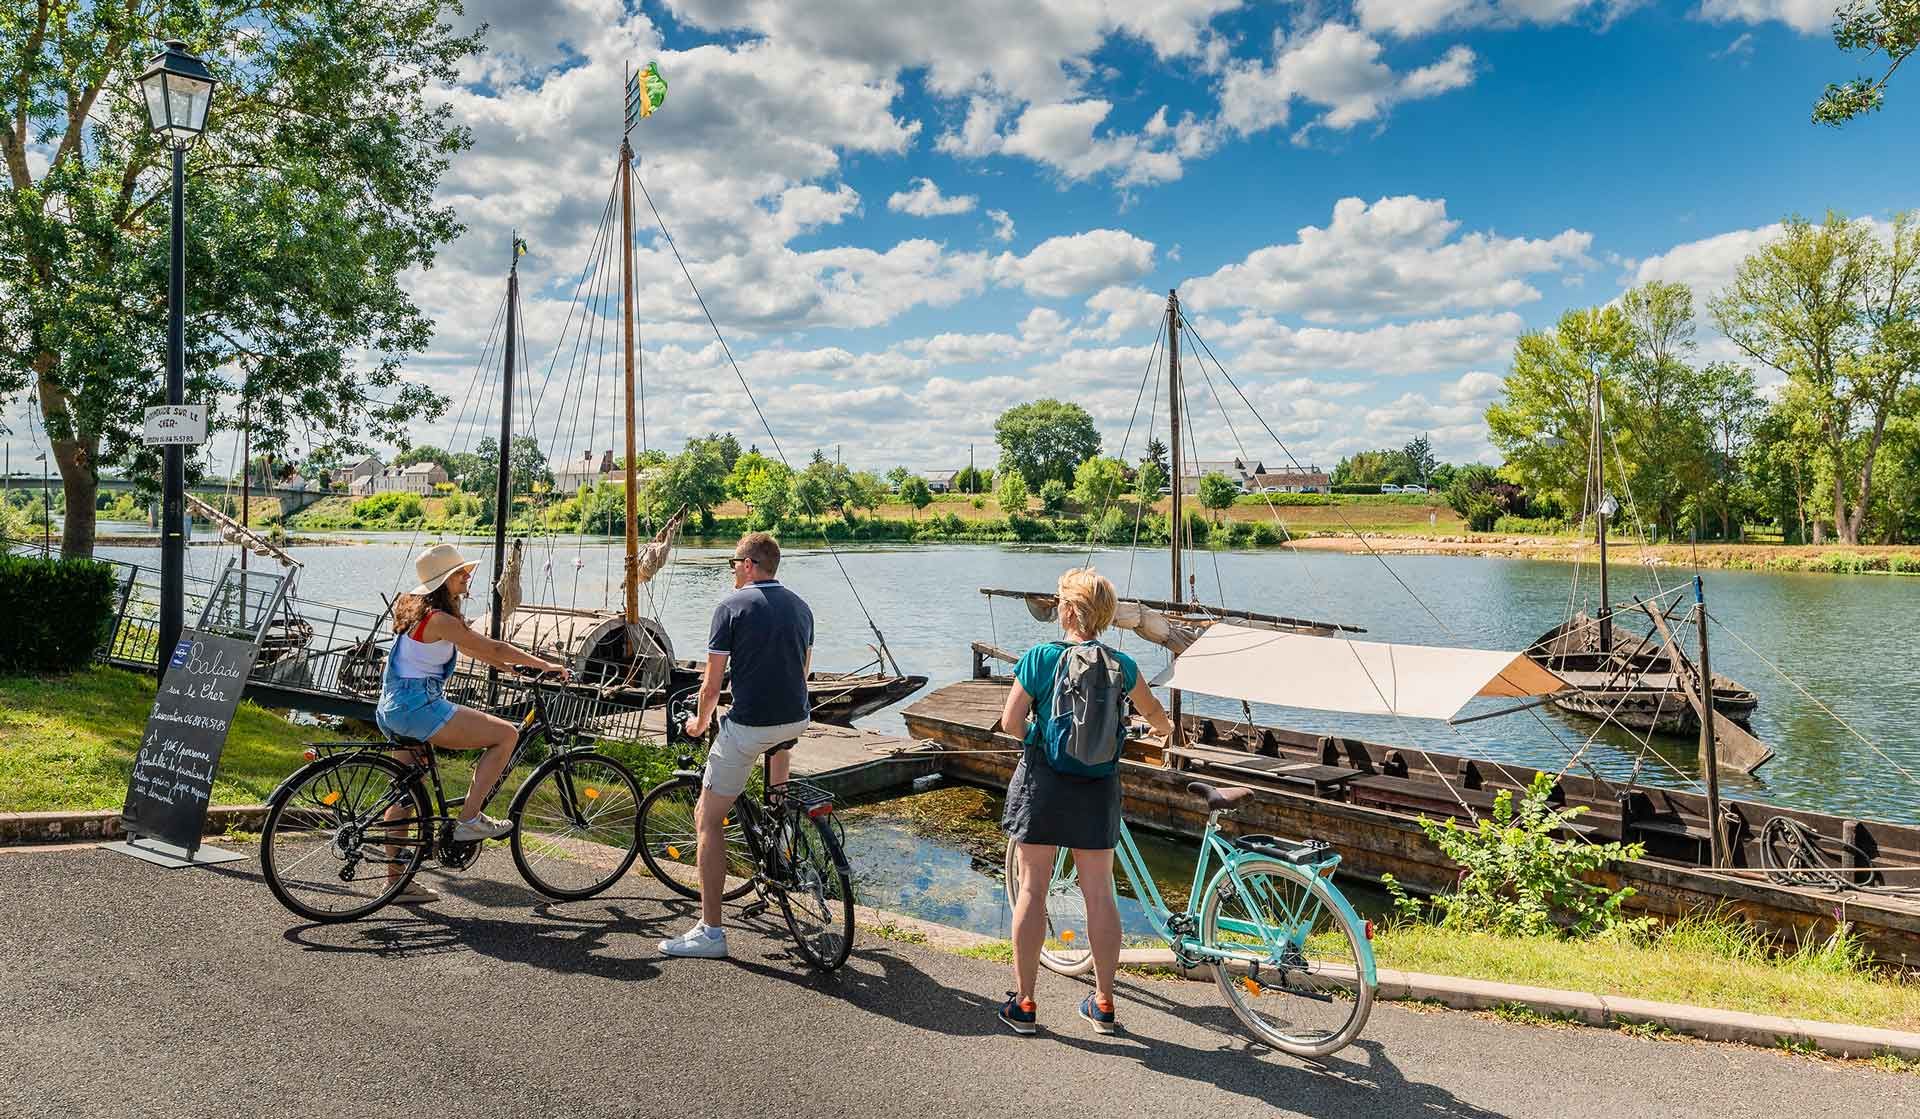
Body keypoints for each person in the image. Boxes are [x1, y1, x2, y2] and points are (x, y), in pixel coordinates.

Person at [997, 567, 1174, 1035]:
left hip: (1044, 784)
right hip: (1098, 786)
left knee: (1033, 889)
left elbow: (1010, 723)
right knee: (1099, 893)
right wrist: (1164, 731)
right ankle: (1104, 1003)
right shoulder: (1122, 665)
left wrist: (1041, 737)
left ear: (1070, 610)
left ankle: (1026, 1004)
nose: (1056, 607)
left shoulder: (1039, 658)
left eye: (1059, 601)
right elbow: (1156, 715)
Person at [376, 543, 568, 903]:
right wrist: (545, 665)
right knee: (505, 735)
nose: (468, 576)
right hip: (419, 706)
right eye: (460, 573)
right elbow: (490, 648)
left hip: (393, 707)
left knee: (404, 792)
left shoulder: (415, 611)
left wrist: (510, 667)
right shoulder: (440, 619)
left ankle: (395, 882)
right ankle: (469, 820)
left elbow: (475, 649)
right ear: (444, 581)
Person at [660, 532, 815, 959]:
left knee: (707, 818)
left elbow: (711, 686)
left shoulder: (730, 607)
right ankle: (779, 836)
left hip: (750, 726)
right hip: (796, 716)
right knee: (777, 766)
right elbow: (802, 672)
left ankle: (711, 931)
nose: (732, 569)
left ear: (748, 564)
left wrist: (699, 722)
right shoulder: (802, 607)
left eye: (734, 562)